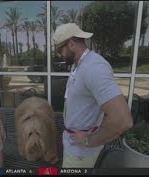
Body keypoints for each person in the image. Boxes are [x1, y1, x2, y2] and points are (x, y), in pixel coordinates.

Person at [53, 23, 133, 168]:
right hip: (73, 145)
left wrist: (88, 140)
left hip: (81, 153)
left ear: (71, 44)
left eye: (59, 49)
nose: (59, 54)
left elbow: (123, 120)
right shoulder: (79, 64)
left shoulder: (94, 67)